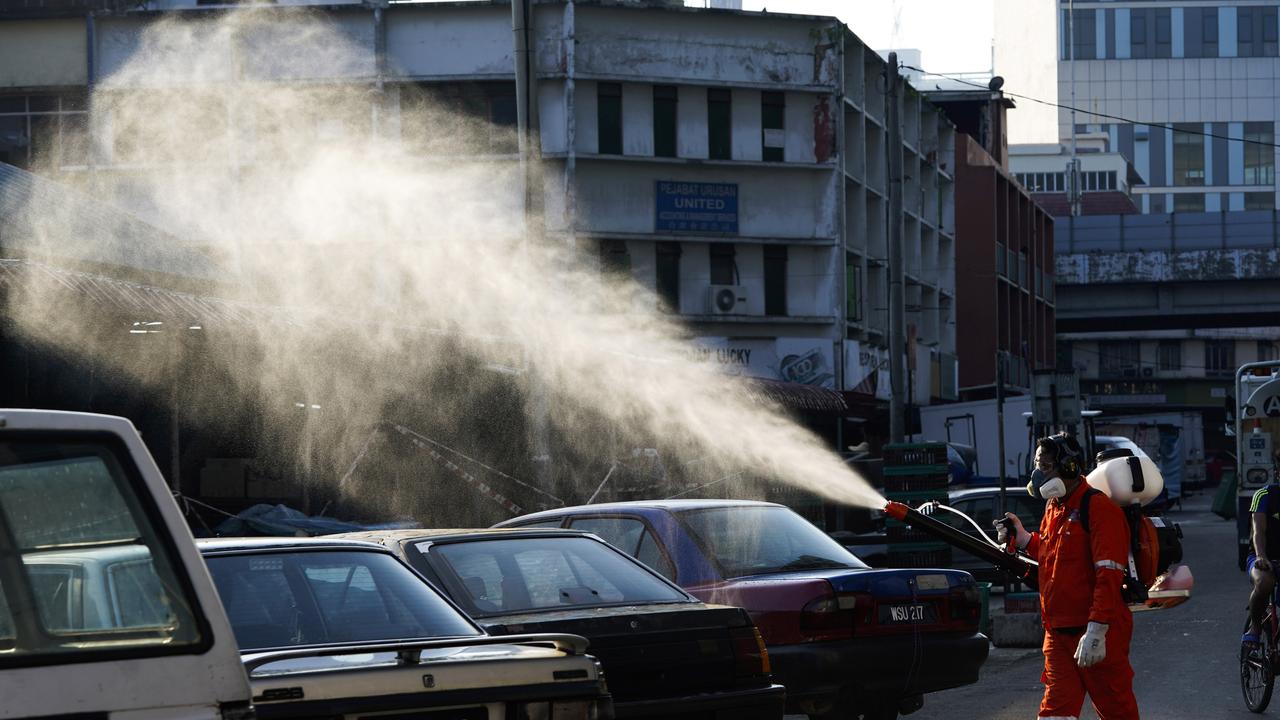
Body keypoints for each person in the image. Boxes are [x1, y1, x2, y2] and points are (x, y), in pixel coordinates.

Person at [998, 433, 1139, 720]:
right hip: (1058, 632)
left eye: (1046, 465)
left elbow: (1108, 574)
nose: (1039, 474)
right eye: (1038, 464)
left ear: (1070, 468)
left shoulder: (1099, 509)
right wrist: (1024, 539)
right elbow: (1055, 554)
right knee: (1055, 714)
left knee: (1116, 710)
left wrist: (1097, 629)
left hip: (1097, 631)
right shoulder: (1055, 507)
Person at [1244, 482, 1280, 649]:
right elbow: (1259, 531)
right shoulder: (1264, 495)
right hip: (1263, 557)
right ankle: (1255, 626)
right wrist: (1261, 556)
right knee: (1265, 582)